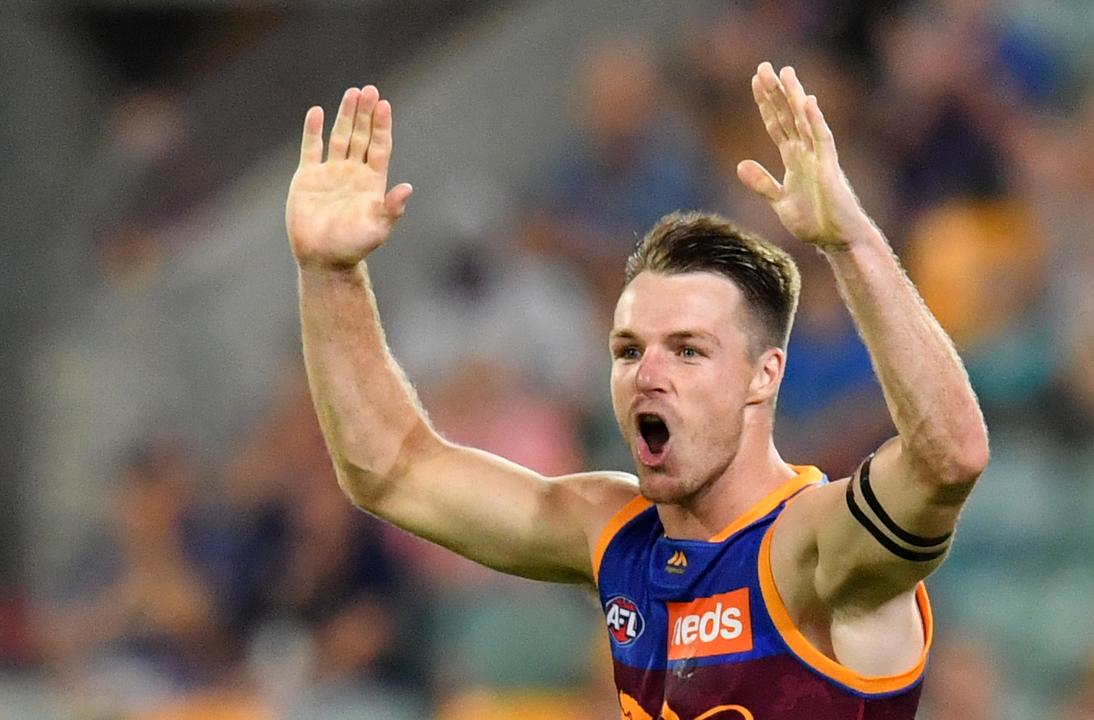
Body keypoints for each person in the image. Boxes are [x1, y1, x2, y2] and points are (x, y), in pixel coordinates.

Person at [284, 62, 988, 718]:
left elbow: (950, 454)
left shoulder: (815, 549)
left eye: (688, 350)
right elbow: (391, 468)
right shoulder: (614, 535)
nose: (648, 373)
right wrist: (328, 271)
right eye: (629, 350)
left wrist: (852, 241)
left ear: (763, 375)